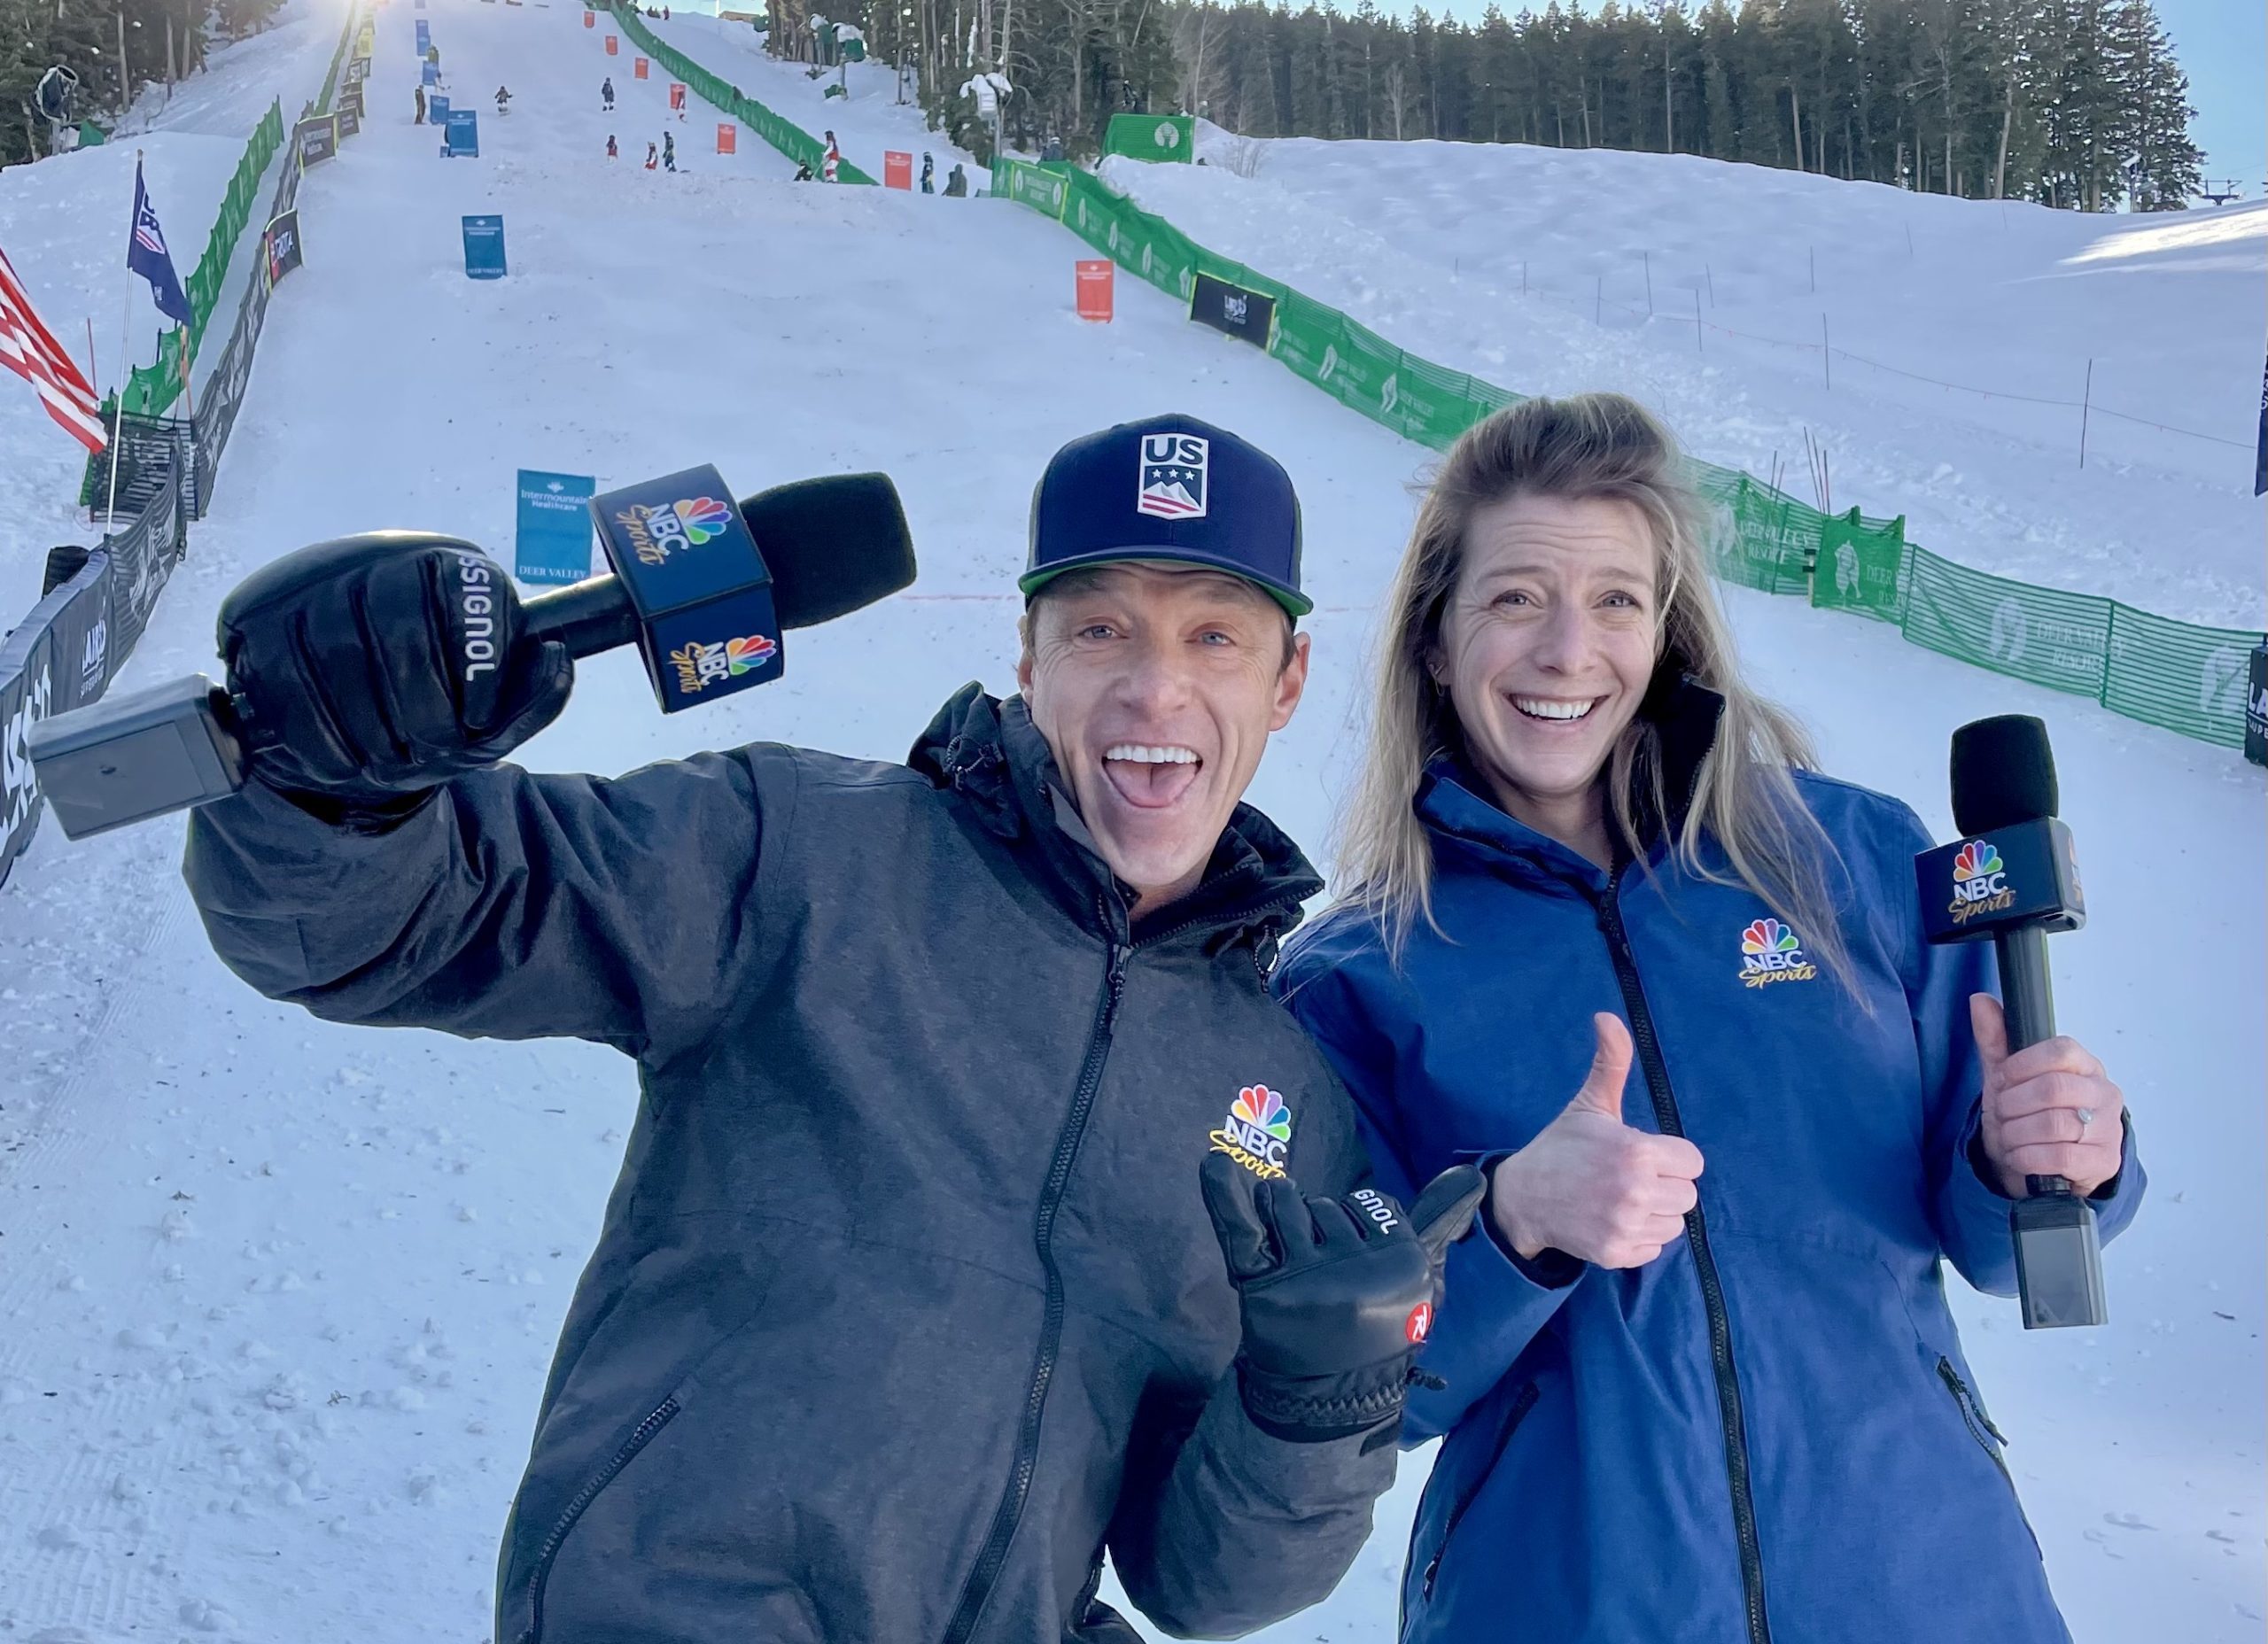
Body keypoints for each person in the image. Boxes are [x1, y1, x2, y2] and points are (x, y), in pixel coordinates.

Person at [181, 415, 1486, 1644]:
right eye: (1102, 629)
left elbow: (1202, 1585)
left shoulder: (1276, 1091)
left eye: (1216, 638)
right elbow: (397, 921)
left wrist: (1316, 1404)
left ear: (1288, 681)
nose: (1156, 689)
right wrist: (326, 784)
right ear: (1028, 659)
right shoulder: (801, 850)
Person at [1273, 392, 2146, 1644]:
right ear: (1434, 638)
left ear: (1668, 631)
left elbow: (2011, 1245)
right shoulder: (1361, 975)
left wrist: (2052, 1156)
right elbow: (1367, 1388)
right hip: (1560, 1608)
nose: (1571, 651)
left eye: (1617, 601)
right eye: (1518, 597)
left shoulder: (1850, 858)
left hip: (1922, 1588)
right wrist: (1514, 1229)